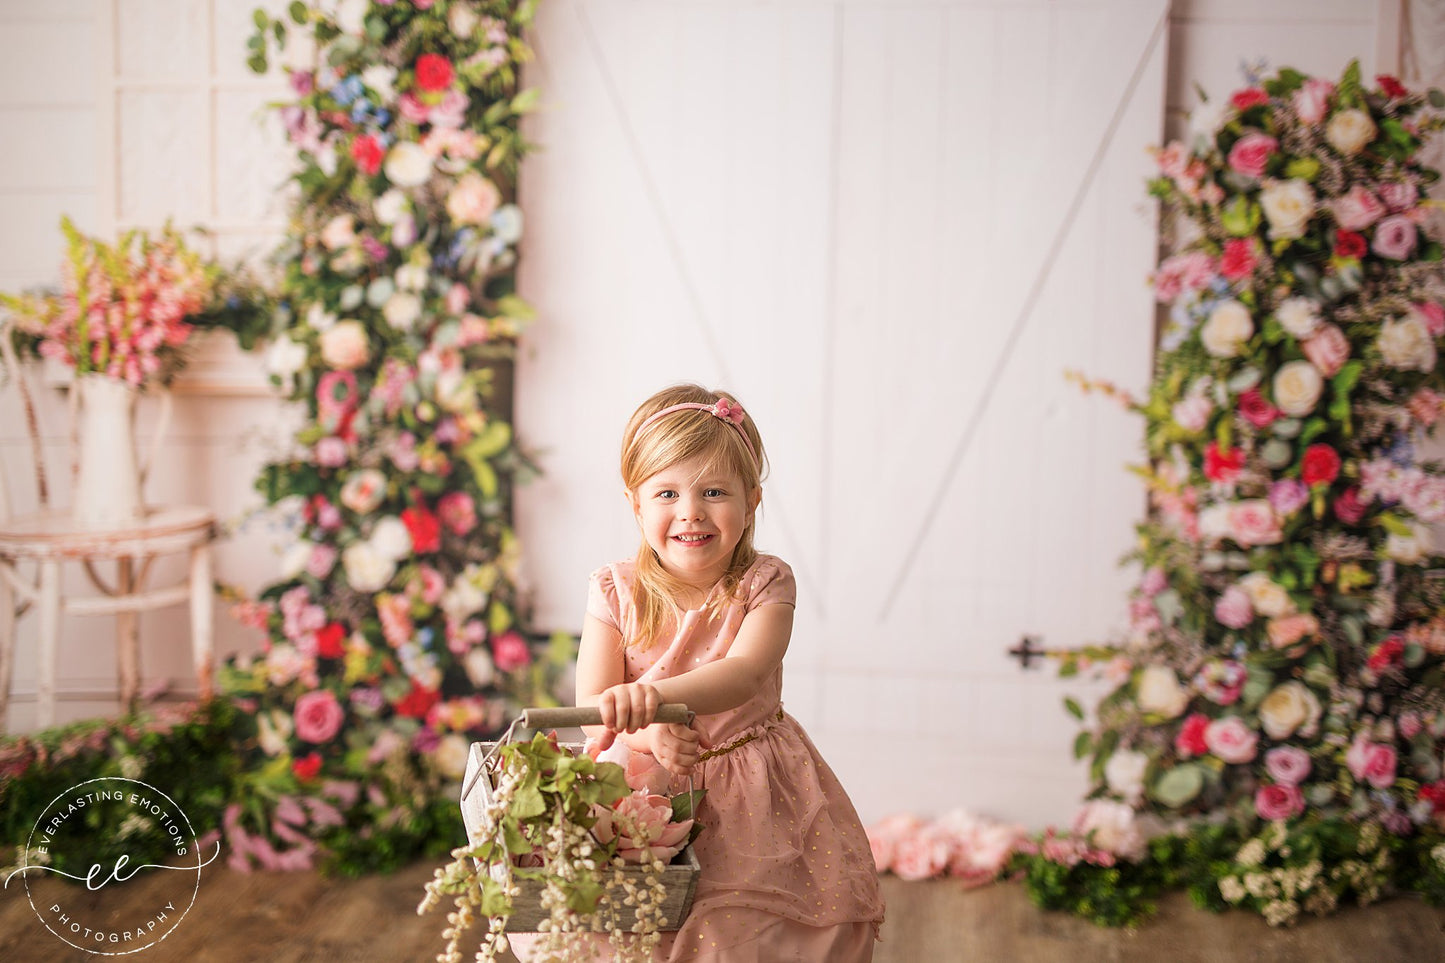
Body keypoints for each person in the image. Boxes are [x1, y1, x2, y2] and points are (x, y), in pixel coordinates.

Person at [575, 383, 885, 961]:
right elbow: (596, 705)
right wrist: (647, 726)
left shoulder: (766, 584)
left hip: (753, 784)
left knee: (750, 927)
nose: (690, 511)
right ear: (635, 503)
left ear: (752, 499)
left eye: (713, 491)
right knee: (636, 924)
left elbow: (743, 672)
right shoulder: (616, 591)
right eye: (666, 492)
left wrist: (652, 697)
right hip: (642, 788)